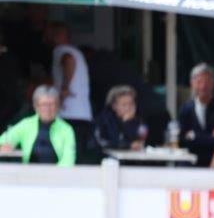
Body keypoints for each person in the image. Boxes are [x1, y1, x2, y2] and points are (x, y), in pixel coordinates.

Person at [44, 22, 91, 158]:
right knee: (75, 156)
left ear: (57, 36)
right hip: (81, 114)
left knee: (64, 155)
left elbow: (68, 60)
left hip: (68, 113)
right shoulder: (75, 51)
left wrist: (64, 88)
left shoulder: (62, 50)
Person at [0, 84, 74, 165]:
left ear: (57, 106)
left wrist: (52, 172)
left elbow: (68, 160)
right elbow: (4, 140)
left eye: (51, 104)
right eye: (44, 104)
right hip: (29, 172)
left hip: (58, 172)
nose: (47, 108)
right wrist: (3, 146)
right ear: (36, 106)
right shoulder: (26, 124)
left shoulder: (66, 129)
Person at [177, 63, 214, 168]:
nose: (203, 86)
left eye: (207, 82)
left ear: (213, 84)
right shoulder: (185, 109)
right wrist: (209, 137)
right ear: (192, 84)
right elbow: (182, 141)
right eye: (199, 82)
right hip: (189, 163)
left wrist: (195, 136)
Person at [94, 84, 146, 151]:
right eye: (124, 105)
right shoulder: (104, 119)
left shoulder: (138, 119)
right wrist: (128, 145)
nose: (128, 108)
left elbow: (139, 140)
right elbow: (104, 143)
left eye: (131, 103)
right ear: (114, 106)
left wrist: (128, 123)